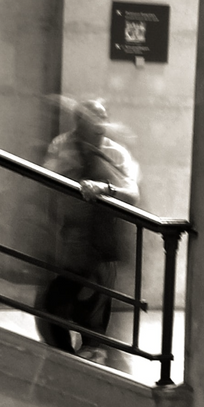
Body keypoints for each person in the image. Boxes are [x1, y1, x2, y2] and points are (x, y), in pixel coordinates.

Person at [38, 99, 140, 366]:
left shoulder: (114, 153)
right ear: (78, 123)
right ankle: (65, 354)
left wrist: (104, 188)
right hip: (72, 235)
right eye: (92, 119)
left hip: (101, 238)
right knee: (58, 299)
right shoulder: (63, 145)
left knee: (97, 297)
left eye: (102, 118)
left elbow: (132, 193)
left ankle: (92, 349)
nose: (101, 124)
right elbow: (49, 182)